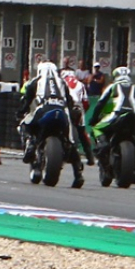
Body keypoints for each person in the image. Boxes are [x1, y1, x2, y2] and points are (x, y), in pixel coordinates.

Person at [18, 60, 85, 188]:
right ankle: (78, 174)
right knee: (70, 142)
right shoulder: (62, 82)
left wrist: (20, 112)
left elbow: (26, 101)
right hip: (62, 112)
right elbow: (69, 102)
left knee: (24, 124)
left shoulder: (35, 81)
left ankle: (30, 144)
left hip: (44, 109)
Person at [87, 66, 135, 190]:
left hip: (116, 116)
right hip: (133, 118)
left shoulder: (112, 86)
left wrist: (94, 119)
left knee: (96, 128)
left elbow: (100, 103)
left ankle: (103, 149)